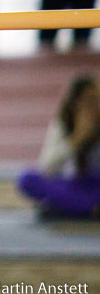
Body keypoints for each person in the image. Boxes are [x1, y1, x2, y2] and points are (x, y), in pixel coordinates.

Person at [17, 75, 100, 219]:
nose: (94, 106)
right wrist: (76, 139)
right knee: (27, 179)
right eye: (89, 101)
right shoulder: (63, 123)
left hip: (96, 186)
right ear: (76, 103)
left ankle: (64, 208)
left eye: (96, 100)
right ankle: (85, 208)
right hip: (72, 185)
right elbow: (47, 167)